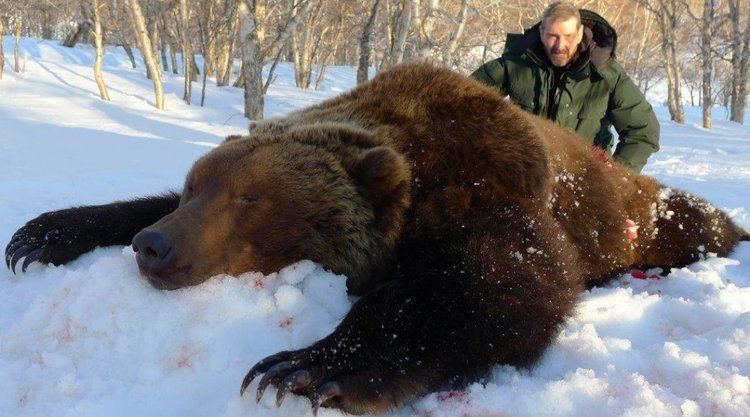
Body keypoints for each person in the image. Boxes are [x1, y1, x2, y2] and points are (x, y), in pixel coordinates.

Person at [471, 1, 659, 172]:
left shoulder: (607, 74)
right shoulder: (515, 63)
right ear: (541, 33)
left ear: (579, 34)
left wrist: (617, 175)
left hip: (582, 180)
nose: (560, 45)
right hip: (524, 174)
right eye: (552, 36)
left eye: (568, 36)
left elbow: (643, 131)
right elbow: (464, 101)